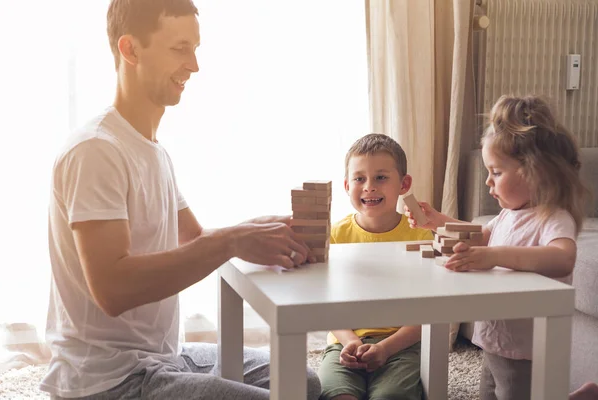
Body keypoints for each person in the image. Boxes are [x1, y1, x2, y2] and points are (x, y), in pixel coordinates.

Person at [40, 1, 321, 399]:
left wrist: (257, 232)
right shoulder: (95, 151)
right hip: (110, 380)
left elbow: (191, 237)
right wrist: (231, 241)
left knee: (302, 381)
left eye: (195, 49)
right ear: (130, 49)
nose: (194, 65)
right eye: (179, 48)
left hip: (164, 356)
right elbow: (112, 289)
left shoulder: (152, 151)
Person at [405, 95, 589, 400]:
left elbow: (562, 258)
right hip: (493, 339)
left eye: (497, 172)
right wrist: (438, 222)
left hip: (524, 348)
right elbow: (478, 236)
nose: (489, 182)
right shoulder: (509, 213)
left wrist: (493, 256)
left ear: (536, 172)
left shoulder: (553, 217)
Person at [318, 133, 433, 400]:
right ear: (347, 185)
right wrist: (350, 341)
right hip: (344, 344)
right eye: (359, 179)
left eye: (381, 177)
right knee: (336, 395)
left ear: (404, 184)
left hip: (401, 344)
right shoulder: (335, 235)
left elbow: (428, 311)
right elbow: (326, 302)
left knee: (390, 396)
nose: (369, 187)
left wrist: (386, 348)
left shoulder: (421, 235)